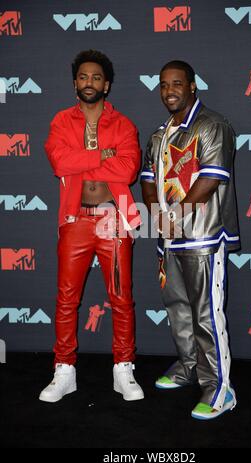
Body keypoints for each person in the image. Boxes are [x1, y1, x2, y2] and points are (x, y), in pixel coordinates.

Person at [39, 50, 144, 403]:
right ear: (75, 83)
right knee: (67, 299)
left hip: (114, 220)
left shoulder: (124, 124)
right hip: (75, 220)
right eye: (83, 77)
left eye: (96, 77)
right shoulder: (60, 121)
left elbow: (128, 169)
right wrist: (103, 155)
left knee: (121, 298)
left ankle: (123, 369)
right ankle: (64, 370)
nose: (89, 82)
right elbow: (59, 161)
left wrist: (84, 163)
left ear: (107, 84)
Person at [141, 60, 240, 420]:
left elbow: (210, 179)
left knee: (205, 314)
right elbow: (148, 179)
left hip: (203, 234)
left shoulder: (212, 125)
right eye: (164, 84)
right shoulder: (158, 135)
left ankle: (219, 388)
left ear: (193, 86)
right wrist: (157, 217)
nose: (170, 90)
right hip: (169, 236)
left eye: (177, 83)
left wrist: (174, 217)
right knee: (177, 308)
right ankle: (188, 367)